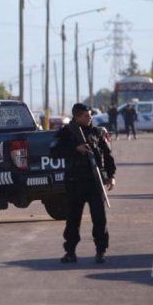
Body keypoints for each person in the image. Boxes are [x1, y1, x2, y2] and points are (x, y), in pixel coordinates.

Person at [53, 103, 116, 264]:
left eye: (90, 115)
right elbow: (54, 152)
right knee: (73, 219)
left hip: (95, 182)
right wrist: (75, 149)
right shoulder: (66, 133)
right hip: (75, 182)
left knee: (99, 219)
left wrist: (111, 175)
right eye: (86, 116)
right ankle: (70, 252)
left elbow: (107, 155)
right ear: (77, 116)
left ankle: (101, 251)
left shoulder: (97, 132)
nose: (90, 118)